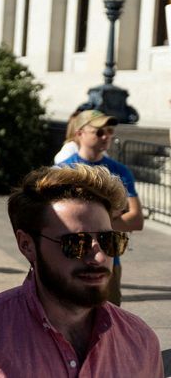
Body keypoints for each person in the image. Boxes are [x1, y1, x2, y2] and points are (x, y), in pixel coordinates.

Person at [0, 165, 163, 377]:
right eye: (75, 244)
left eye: (109, 241)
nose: (99, 256)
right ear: (27, 245)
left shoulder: (139, 340)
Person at [57, 109, 144, 305]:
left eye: (110, 131)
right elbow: (56, 222)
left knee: (110, 320)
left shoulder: (120, 171)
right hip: (70, 260)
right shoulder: (62, 171)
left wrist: (84, 223)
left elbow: (137, 220)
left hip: (109, 261)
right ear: (80, 133)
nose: (106, 136)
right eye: (99, 132)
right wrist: (112, 221)